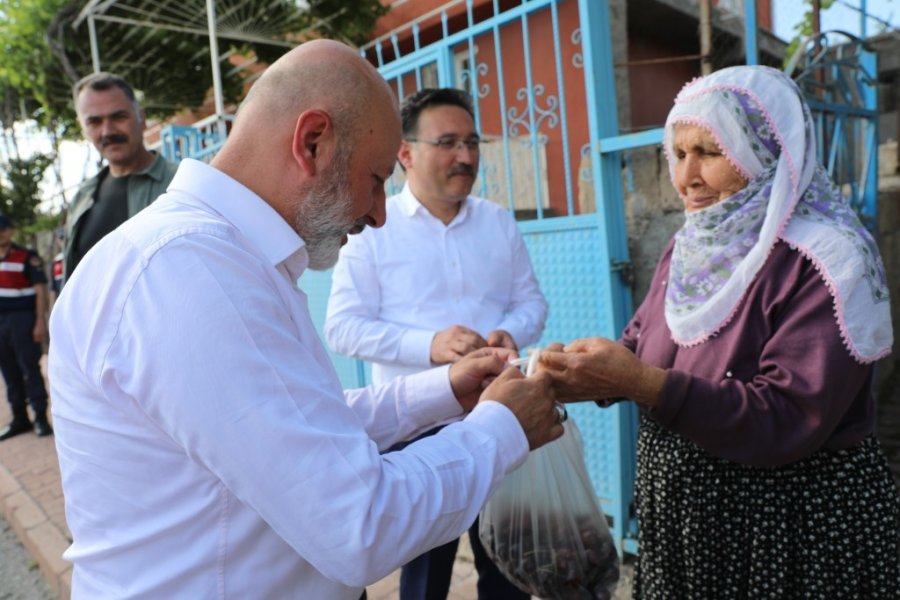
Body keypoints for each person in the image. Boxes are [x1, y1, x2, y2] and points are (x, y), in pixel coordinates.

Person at [49, 39, 565, 599]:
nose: (378, 213)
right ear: (313, 142)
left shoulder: (221, 259)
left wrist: (442, 392)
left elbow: (300, 425)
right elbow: (358, 525)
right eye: (375, 179)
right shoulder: (188, 269)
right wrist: (501, 428)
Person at [538, 65, 899, 598]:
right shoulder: (690, 245)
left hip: (783, 526)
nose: (686, 177)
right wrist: (584, 372)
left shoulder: (827, 260)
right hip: (687, 520)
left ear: (767, 151)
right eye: (678, 153)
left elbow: (789, 415)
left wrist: (639, 382)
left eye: (709, 151)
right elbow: (645, 340)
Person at [325, 87, 548, 600]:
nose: (465, 156)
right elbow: (343, 326)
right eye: (447, 142)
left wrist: (511, 332)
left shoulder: (497, 221)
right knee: (424, 580)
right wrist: (431, 345)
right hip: (416, 429)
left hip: (500, 414)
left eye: (472, 142)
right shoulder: (373, 229)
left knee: (510, 571)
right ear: (406, 153)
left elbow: (531, 302)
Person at [63, 72, 178, 283]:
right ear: (84, 130)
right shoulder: (82, 198)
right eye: (94, 122)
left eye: (118, 117)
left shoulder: (181, 184)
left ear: (141, 118)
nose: (108, 131)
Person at [0, 215, 52, 441]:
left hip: (22, 319)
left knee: (30, 369)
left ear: (11, 230)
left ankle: (40, 417)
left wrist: (40, 321)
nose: (0, 233)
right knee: (9, 372)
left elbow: (40, 291)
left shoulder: (27, 256)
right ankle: (19, 418)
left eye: (3, 228)